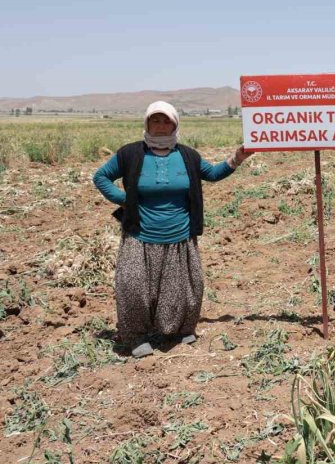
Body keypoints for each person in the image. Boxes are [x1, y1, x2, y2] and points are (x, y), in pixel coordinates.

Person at [93, 101, 251, 358]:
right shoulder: (130, 154)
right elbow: (101, 177)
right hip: (140, 234)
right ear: (146, 124)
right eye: (155, 120)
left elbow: (211, 173)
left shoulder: (187, 155)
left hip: (179, 235)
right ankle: (135, 337)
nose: (161, 126)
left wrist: (236, 159)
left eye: (167, 121)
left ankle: (180, 329)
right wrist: (125, 199)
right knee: (132, 285)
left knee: (184, 286)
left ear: (175, 124)